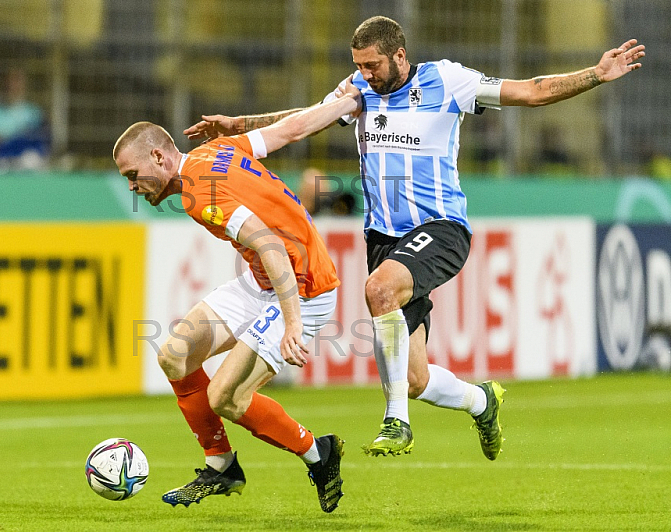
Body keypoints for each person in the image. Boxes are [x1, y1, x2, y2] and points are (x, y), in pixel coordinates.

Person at [183, 16, 645, 460]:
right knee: (416, 376)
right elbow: (308, 117)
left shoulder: (448, 82)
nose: (363, 75)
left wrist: (597, 75)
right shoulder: (359, 88)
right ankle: (482, 402)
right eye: (359, 66)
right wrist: (241, 124)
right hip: (385, 240)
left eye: (372, 66)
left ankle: (394, 421)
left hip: (441, 229)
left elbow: (530, 92)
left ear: (399, 55)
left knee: (378, 289)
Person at [112, 90, 360, 511]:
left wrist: (293, 323)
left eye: (132, 174)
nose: (133, 185)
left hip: (301, 287)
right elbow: (290, 129)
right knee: (175, 355)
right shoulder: (219, 148)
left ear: (158, 157)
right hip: (262, 281)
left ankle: (319, 454)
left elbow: (271, 246)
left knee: (225, 397)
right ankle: (221, 465)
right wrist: (346, 104)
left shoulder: (198, 194)